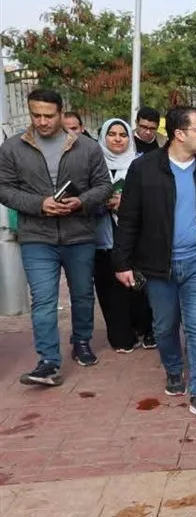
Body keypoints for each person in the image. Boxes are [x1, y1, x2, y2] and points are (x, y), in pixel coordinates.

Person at [113, 106, 196, 421]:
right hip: (158, 266)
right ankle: (173, 369)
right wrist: (122, 262)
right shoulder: (144, 169)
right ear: (179, 134)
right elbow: (128, 219)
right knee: (164, 326)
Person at [0, 88, 112, 385]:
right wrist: (39, 204)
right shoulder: (12, 148)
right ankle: (48, 360)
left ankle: (82, 341)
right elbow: (4, 189)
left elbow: (104, 186)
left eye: (48, 116)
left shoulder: (87, 147)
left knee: (82, 294)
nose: (42, 121)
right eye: (36, 115)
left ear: (61, 113)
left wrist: (81, 201)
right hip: (36, 236)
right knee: (43, 300)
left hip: (79, 235)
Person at [94, 118, 155, 352]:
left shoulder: (141, 165)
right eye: (112, 134)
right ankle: (121, 336)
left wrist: (127, 203)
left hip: (137, 238)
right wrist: (101, 202)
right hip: (102, 236)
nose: (118, 139)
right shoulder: (94, 164)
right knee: (110, 288)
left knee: (141, 286)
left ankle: (147, 329)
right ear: (103, 137)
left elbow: (154, 198)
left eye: (123, 134)